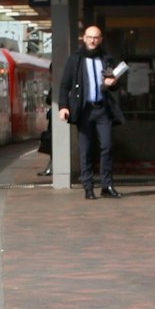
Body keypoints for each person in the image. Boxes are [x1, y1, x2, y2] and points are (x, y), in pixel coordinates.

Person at [57, 24, 124, 199]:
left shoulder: (106, 59)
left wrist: (114, 83)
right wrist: (63, 106)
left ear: (100, 40)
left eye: (96, 37)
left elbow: (115, 85)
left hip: (102, 109)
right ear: (84, 39)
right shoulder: (75, 60)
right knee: (85, 149)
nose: (93, 40)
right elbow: (64, 86)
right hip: (84, 110)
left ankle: (106, 185)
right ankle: (88, 186)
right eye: (90, 37)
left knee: (107, 147)